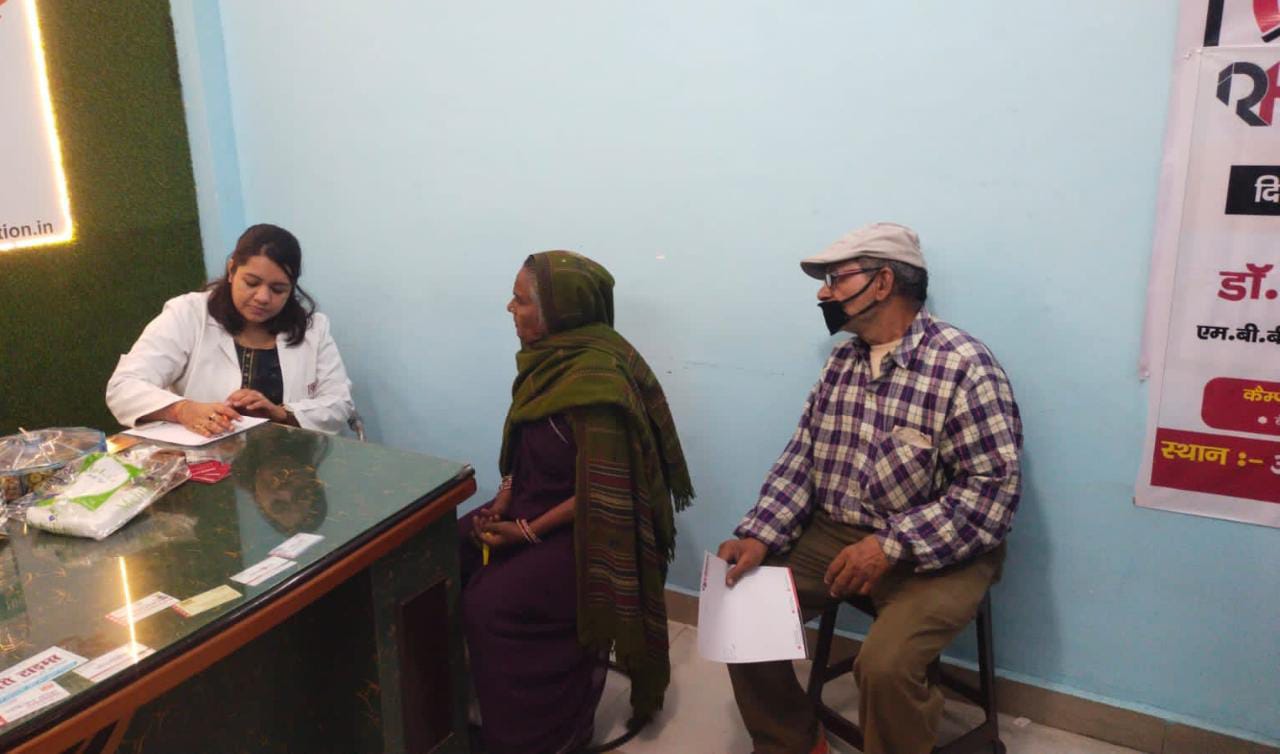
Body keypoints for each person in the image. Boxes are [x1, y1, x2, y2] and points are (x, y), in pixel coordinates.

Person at [717, 222, 1022, 754]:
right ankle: (793, 742)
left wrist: (890, 545)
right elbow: (802, 459)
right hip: (839, 531)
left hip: (941, 551)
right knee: (738, 605)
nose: (823, 293)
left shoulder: (965, 367)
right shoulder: (842, 364)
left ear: (883, 283)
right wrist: (760, 534)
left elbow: (991, 494)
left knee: (885, 667)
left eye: (836, 279)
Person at [458, 250, 695, 754]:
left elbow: (603, 491)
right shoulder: (547, 361)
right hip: (532, 506)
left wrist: (526, 531)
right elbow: (524, 453)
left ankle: (537, 734)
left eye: (521, 300)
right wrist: (503, 501)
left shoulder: (597, 383)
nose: (509, 308)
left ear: (558, 312)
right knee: (445, 548)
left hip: (591, 528)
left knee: (490, 604)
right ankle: (466, 704)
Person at [106, 224, 354, 436]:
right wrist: (182, 410)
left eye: (278, 289)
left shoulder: (313, 328)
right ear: (232, 270)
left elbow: (339, 403)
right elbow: (123, 387)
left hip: (289, 466)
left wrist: (281, 413)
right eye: (252, 282)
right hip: (204, 464)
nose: (263, 297)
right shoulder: (188, 314)